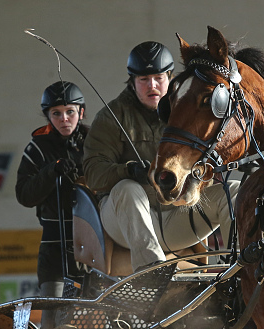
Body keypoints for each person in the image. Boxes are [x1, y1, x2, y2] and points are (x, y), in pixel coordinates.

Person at [83, 41, 239, 272]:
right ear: (132, 81)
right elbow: (93, 174)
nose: (152, 85)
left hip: (177, 216)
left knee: (233, 190)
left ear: (170, 77)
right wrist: (130, 170)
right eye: (143, 80)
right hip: (126, 222)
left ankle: (239, 270)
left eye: (158, 78)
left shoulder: (187, 111)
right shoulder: (111, 116)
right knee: (127, 188)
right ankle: (153, 272)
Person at [15, 81, 88, 329]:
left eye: (70, 111)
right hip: (54, 247)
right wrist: (51, 171)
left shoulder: (95, 142)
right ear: (48, 116)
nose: (64, 119)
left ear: (82, 112)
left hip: (94, 243)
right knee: (51, 320)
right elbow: (24, 195)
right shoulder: (37, 147)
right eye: (56, 113)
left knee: (100, 315)